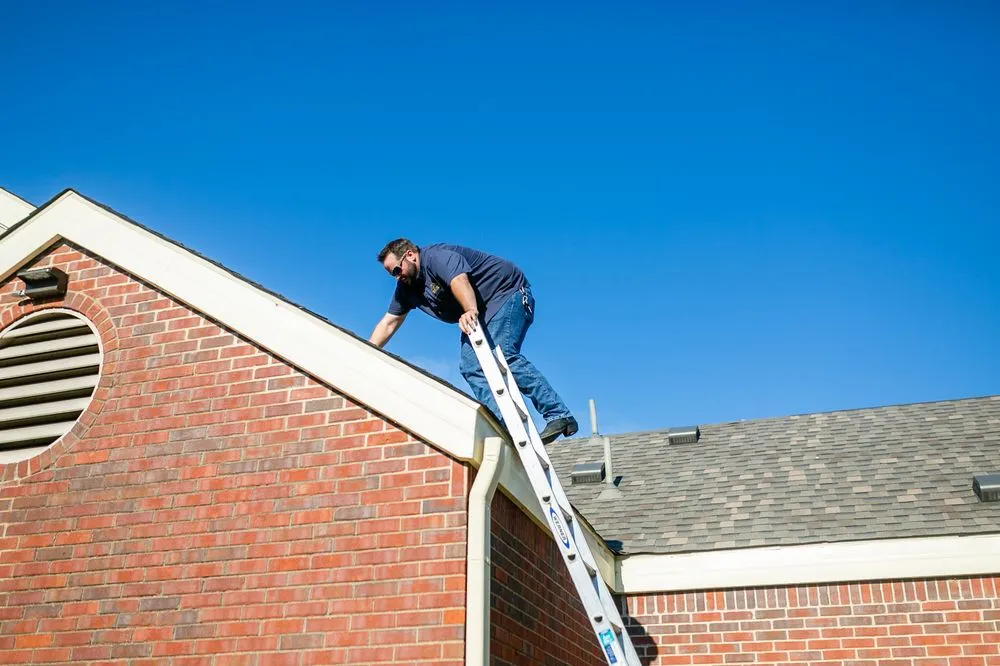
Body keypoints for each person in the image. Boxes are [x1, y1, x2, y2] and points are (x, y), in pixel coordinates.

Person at [369, 238, 578, 444]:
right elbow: (389, 322)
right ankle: (509, 429)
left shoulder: (437, 258)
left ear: (410, 255)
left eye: (397, 270)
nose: (397, 278)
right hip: (482, 313)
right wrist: (368, 350)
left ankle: (558, 414)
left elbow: (459, 280)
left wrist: (469, 310)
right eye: (391, 275)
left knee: (502, 355)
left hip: (507, 293)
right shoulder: (407, 288)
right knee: (471, 367)